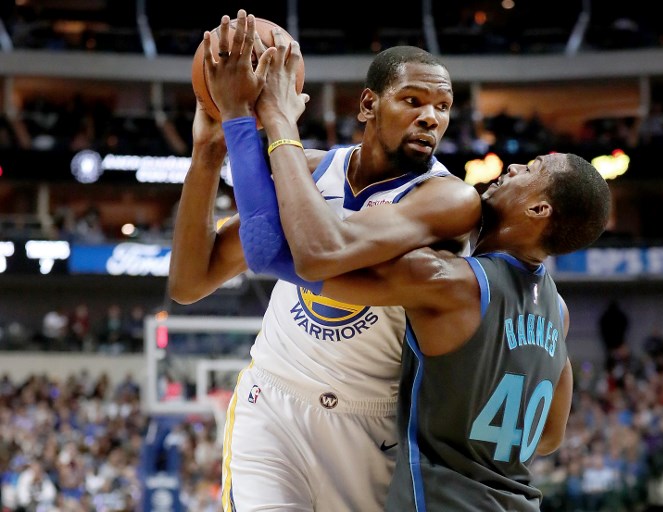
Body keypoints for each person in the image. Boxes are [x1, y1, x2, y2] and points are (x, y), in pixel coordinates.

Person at [243, 26, 612, 510]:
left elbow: (286, 256)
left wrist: (266, 123)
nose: (513, 169)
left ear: (539, 211)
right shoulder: (557, 314)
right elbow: (547, 437)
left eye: (532, 170)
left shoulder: (447, 280)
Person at [169, 10, 480, 512]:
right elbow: (189, 282)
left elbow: (321, 254)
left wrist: (273, 118)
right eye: (413, 100)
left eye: (443, 107)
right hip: (271, 404)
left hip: (369, 426)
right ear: (368, 105)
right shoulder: (307, 169)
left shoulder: (448, 200)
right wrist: (206, 154)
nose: (432, 117)